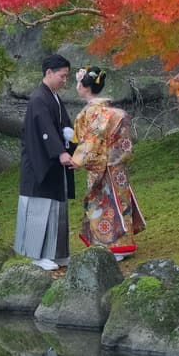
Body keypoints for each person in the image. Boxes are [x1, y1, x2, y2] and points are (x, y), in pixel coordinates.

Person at [69, 65, 145, 261]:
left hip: (101, 166)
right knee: (121, 202)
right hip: (118, 166)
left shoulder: (89, 114)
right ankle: (125, 243)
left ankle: (113, 246)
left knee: (103, 205)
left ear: (85, 87)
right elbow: (126, 142)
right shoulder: (117, 112)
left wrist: (77, 160)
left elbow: (90, 142)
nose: (77, 87)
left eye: (78, 83)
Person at [15, 53, 76, 271]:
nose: (65, 80)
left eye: (67, 76)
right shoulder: (39, 99)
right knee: (39, 208)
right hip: (39, 164)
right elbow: (45, 130)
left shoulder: (53, 98)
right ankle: (37, 255)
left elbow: (62, 125)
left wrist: (71, 141)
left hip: (53, 165)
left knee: (57, 209)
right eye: (62, 76)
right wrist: (60, 152)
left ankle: (57, 254)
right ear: (49, 73)